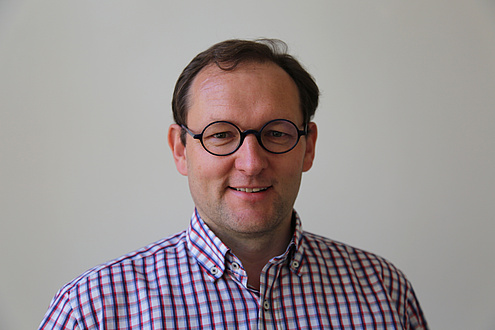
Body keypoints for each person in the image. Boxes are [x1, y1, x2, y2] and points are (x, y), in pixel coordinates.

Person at [39, 39, 428, 329]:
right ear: (180, 149)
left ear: (307, 146)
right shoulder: (92, 311)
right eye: (221, 134)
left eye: (276, 133)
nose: (251, 163)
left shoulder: (384, 292)